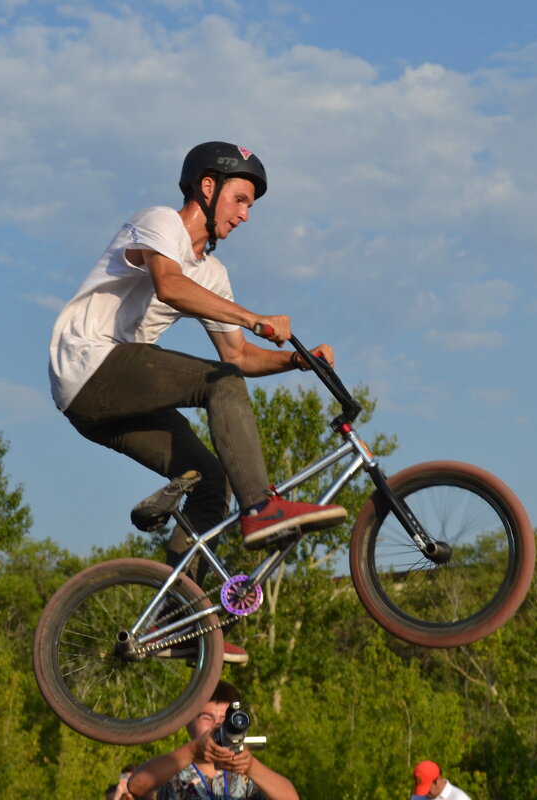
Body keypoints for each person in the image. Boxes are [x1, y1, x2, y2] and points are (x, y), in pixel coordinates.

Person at [48, 142, 347, 663]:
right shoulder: (159, 223)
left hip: (102, 407)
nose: (245, 215)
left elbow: (238, 355)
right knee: (220, 383)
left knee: (211, 484)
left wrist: (299, 363)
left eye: (250, 206)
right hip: (89, 365)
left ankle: (175, 625)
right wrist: (254, 316)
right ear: (207, 188)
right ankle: (263, 509)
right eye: (240, 199)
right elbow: (168, 286)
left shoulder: (212, 276)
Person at [125, 681, 298, 800]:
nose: (217, 726)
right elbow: (137, 786)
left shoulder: (247, 775)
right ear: (188, 723)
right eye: (207, 718)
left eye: (225, 720)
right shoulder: (172, 770)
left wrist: (251, 767)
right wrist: (193, 751)